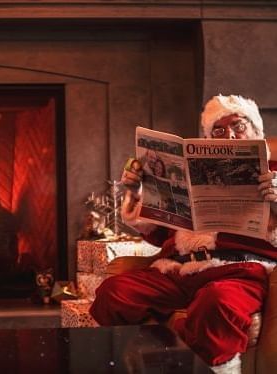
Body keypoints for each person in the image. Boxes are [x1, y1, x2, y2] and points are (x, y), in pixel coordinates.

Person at [90, 95, 277, 374]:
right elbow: (156, 235)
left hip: (240, 271)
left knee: (217, 301)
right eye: (219, 131)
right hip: (179, 270)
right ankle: (136, 366)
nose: (228, 136)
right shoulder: (190, 173)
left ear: (256, 133)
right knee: (115, 292)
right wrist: (137, 192)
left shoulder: (274, 176)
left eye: (238, 127)